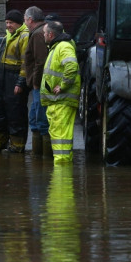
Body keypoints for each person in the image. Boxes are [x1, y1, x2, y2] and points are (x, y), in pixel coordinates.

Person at [0, 9, 30, 152]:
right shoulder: (8, 36)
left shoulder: (24, 37)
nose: (8, 25)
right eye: (6, 22)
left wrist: (20, 82)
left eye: (11, 22)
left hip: (14, 77)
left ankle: (17, 145)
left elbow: (26, 63)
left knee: (15, 112)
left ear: (18, 23)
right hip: (2, 77)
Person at [40, 20, 80, 164]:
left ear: (50, 34)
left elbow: (71, 66)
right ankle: (63, 167)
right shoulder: (57, 46)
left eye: (44, 33)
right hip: (57, 101)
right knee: (61, 134)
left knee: (60, 135)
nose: (43, 35)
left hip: (61, 100)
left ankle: (61, 169)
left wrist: (62, 86)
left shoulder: (63, 47)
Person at [21, 6, 50, 158]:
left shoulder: (38, 34)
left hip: (39, 85)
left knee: (41, 121)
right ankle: (37, 158)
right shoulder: (39, 32)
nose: (24, 22)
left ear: (30, 20)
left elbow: (40, 62)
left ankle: (43, 159)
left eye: (25, 19)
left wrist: (36, 83)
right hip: (37, 85)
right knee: (35, 119)